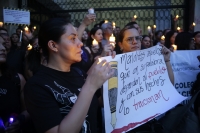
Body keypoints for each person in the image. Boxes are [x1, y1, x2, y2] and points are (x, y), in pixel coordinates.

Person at [24, 18, 115, 133]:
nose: (80, 43)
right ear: (53, 45)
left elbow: (102, 102)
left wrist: (113, 69)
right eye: (73, 38)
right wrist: (90, 86)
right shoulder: (37, 86)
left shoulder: (79, 73)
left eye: (77, 37)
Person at [0, 35, 29, 133]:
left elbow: (28, 110)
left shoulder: (18, 79)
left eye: (3, 45)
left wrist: (19, 120)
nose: (3, 48)